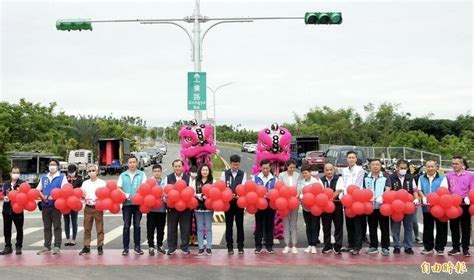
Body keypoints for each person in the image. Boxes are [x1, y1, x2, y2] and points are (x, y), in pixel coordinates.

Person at [37, 159, 68, 255]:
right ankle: (47, 246)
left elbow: (65, 190)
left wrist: (53, 196)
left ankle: (57, 246)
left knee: (57, 226)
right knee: (47, 227)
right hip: (45, 206)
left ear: (58, 166)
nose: (52, 166)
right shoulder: (44, 178)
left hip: (56, 206)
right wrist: (43, 196)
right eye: (50, 164)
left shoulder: (62, 177)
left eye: (54, 164)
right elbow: (38, 190)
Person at [418, 160, 449, 255]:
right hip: (427, 207)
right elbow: (419, 189)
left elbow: (444, 191)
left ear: (436, 167)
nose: (430, 168)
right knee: (427, 227)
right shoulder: (421, 178)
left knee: (441, 227)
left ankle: (440, 248)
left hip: (440, 207)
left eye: (432, 166)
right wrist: (423, 197)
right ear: (425, 168)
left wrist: (435, 200)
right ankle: (428, 247)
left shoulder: (442, 178)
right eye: (428, 166)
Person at [118, 155, 147, 256]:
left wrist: (138, 196)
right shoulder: (123, 175)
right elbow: (118, 188)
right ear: (127, 164)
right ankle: (125, 248)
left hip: (138, 204)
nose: (132, 164)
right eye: (130, 162)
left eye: (134, 162)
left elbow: (145, 187)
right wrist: (124, 194)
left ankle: (137, 247)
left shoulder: (142, 174)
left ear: (137, 163)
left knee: (137, 226)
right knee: (126, 226)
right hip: (126, 204)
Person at [388, 159, 418, 255]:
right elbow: (388, 190)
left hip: (408, 206)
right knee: (395, 227)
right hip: (396, 207)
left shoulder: (410, 177)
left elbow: (415, 190)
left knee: (408, 226)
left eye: (405, 168)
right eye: (401, 168)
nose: (403, 170)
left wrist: (416, 198)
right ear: (397, 168)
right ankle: (397, 246)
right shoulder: (391, 177)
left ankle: (408, 246)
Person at [446, 156, 474, 257]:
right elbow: (446, 189)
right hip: (452, 204)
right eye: (453, 163)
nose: (454, 166)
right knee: (454, 226)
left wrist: (467, 197)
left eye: (456, 164)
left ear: (462, 164)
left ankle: (465, 249)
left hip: (465, 203)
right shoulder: (449, 175)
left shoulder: (470, 175)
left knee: (465, 226)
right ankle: (455, 247)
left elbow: (472, 188)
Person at [364, 159, 391, 256]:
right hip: (370, 207)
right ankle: (373, 246)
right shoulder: (366, 177)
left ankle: (385, 247)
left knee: (384, 227)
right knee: (372, 227)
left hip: (383, 207)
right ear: (370, 166)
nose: (375, 166)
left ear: (380, 166)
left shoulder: (385, 177)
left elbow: (388, 190)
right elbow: (363, 190)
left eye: (377, 165)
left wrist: (382, 197)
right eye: (373, 165)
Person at [221, 154, 247, 255]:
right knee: (229, 225)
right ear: (230, 164)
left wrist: (239, 196)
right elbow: (222, 187)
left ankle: (240, 246)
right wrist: (228, 195)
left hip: (239, 203)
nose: (235, 167)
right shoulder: (225, 174)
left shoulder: (243, 174)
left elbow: (244, 187)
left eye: (237, 165)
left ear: (239, 164)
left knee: (240, 225)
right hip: (228, 203)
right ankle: (230, 246)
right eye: (234, 165)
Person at [341, 151, 365, 255]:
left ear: (356, 159)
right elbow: (344, 183)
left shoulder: (360, 170)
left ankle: (357, 246)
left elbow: (358, 185)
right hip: (346, 200)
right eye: (349, 157)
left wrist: (350, 195)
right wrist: (344, 195)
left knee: (357, 224)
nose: (351, 159)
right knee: (349, 223)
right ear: (347, 159)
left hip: (356, 199)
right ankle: (350, 244)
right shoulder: (344, 170)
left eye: (353, 157)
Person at [79, 164, 106, 256]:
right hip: (88, 207)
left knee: (99, 228)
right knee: (87, 228)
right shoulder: (85, 183)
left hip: (98, 207)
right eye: (89, 171)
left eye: (93, 170)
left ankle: (100, 246)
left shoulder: (102, 183)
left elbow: (106, 195)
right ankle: (86, 246)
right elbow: (81, 194)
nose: (91, 172)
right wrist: (84, 197)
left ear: (97, 172)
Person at [166, 159, 191, 255]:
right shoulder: (168, 178)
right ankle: (172, 247)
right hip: (172, 207)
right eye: (175, 166)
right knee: (171, 228)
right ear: (173, 167)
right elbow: (165, 192)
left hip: (185, 207)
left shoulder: (188, 178)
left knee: (185, 228)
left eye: (179, 166)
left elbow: (191, 190)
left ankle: (185, 247)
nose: (177, 168)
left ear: (183, 167)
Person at [320, 163, 345, 254]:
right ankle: (327, 246)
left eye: (331, 169)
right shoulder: (321, 180)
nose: (329, 171)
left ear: (334, 170)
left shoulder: (339, 178)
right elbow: (320, 191)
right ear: (324, 171)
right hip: (325, 207)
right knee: (326, 226)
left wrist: (329, 199)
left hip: (337, 206)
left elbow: (339, 190)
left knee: (338, 226)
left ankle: (338, 246)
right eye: (327, 170)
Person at [254, 159, 277, 254]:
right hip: (259, 205)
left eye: (267, 168)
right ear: (261, 168)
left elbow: (277, 192)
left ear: (270, 168)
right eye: (263, 168)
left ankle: (269, 246)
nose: (265, 170)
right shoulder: (255, 178)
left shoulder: (275, 179)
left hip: (270, 206)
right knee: (259, 226)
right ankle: (258, 246)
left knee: (270, 226)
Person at [298, 165, 323, 254]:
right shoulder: (301, 182)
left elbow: (321, 192)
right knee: (308, 226)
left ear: (310, 172)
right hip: (305, 207)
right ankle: (309, 244)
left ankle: (314, 244)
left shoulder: (316, 181)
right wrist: (301, 197)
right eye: (303, 173)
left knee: (314, 225)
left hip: (315, 207)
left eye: (306, 173)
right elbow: (299, 193)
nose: (305, 175)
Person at [0, 167, 24, 255]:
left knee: (19, 228)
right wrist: (4, 198)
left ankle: (18, 246)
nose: (15, 174)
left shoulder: (22, 184)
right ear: (10, 173)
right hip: (7, 209)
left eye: (17, 172)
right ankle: (8, 246)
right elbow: (3, 194)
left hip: (18, 209)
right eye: (14, 172)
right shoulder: (6, 184)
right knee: (7, 228)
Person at [278, 159, 300, 254]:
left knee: (293, 224)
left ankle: (294, 244)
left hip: (294, 202)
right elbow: (280, 187)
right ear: (286, 166)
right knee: (286, 224)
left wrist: (297, 195)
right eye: (290, 167)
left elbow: (299, 188)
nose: (292, 169)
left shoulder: (298, 175)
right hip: (284, 203)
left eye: (294, 167)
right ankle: (287, 244)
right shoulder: (282, 175)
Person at [193, 164, 214, 255]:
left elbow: (216, 193)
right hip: (198, 207)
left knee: (208, 228)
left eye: (206, 170)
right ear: (200, 171)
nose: (204, 172)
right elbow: (191, 192)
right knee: (200, 228)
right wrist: (199, 195)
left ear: (209, 172)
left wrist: (208, 196)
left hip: (209, 207)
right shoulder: (195, 181)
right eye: (203, 170)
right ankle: (201, 247)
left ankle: (208, 247)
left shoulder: (212, 181)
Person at [147, 164, 167, 256]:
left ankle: (160, 245)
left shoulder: (165, 182)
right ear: (153, 172)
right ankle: (151, 246)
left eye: (159, 171)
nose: (157, 173)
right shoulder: (149, 182)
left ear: (161, 172)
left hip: (162, 210)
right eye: (155, 171)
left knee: (161, 229)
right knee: (150, 229)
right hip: (151, 210)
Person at [64, 164, 83, 247]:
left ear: (76, 171)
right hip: (65, 202)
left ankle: (74, 239)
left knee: (74, 221)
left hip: (75, 202)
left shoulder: (79, 178)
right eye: (69, 172)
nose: (71, 173)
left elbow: (78, 189)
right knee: (66, 221)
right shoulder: (64, 178)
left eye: (72, 171)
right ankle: (67, 238)